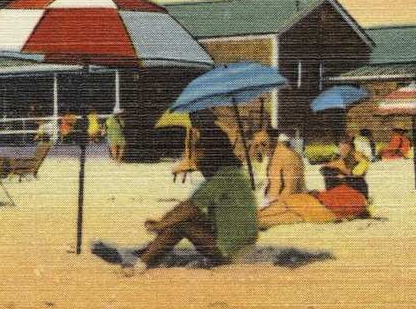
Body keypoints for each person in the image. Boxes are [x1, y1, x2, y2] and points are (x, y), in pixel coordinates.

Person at [130, 113, 257, 272]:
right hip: (236, 239)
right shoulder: (232, 171)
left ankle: (141, 264)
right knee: (182, 217)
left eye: (199, 155)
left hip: (229, 250)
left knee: (181, 222)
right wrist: (162, 221)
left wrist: (161, 224)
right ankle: (147, 254)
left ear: (212, 155)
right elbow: (188, 207)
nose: (197, 161)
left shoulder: (223, 178)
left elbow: (190, 207)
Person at [321, 136, 371, 200]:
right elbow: (323, 169)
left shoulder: (362, 160)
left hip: (354, 189)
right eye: (340, 148)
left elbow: (357, 174)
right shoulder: (338, 159)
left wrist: (342, 171)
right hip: (339, 190)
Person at [264, 132, 306, 202]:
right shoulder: (274, 156)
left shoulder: (288, 156)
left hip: (289, 203)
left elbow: (290, 189)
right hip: (273, 201)